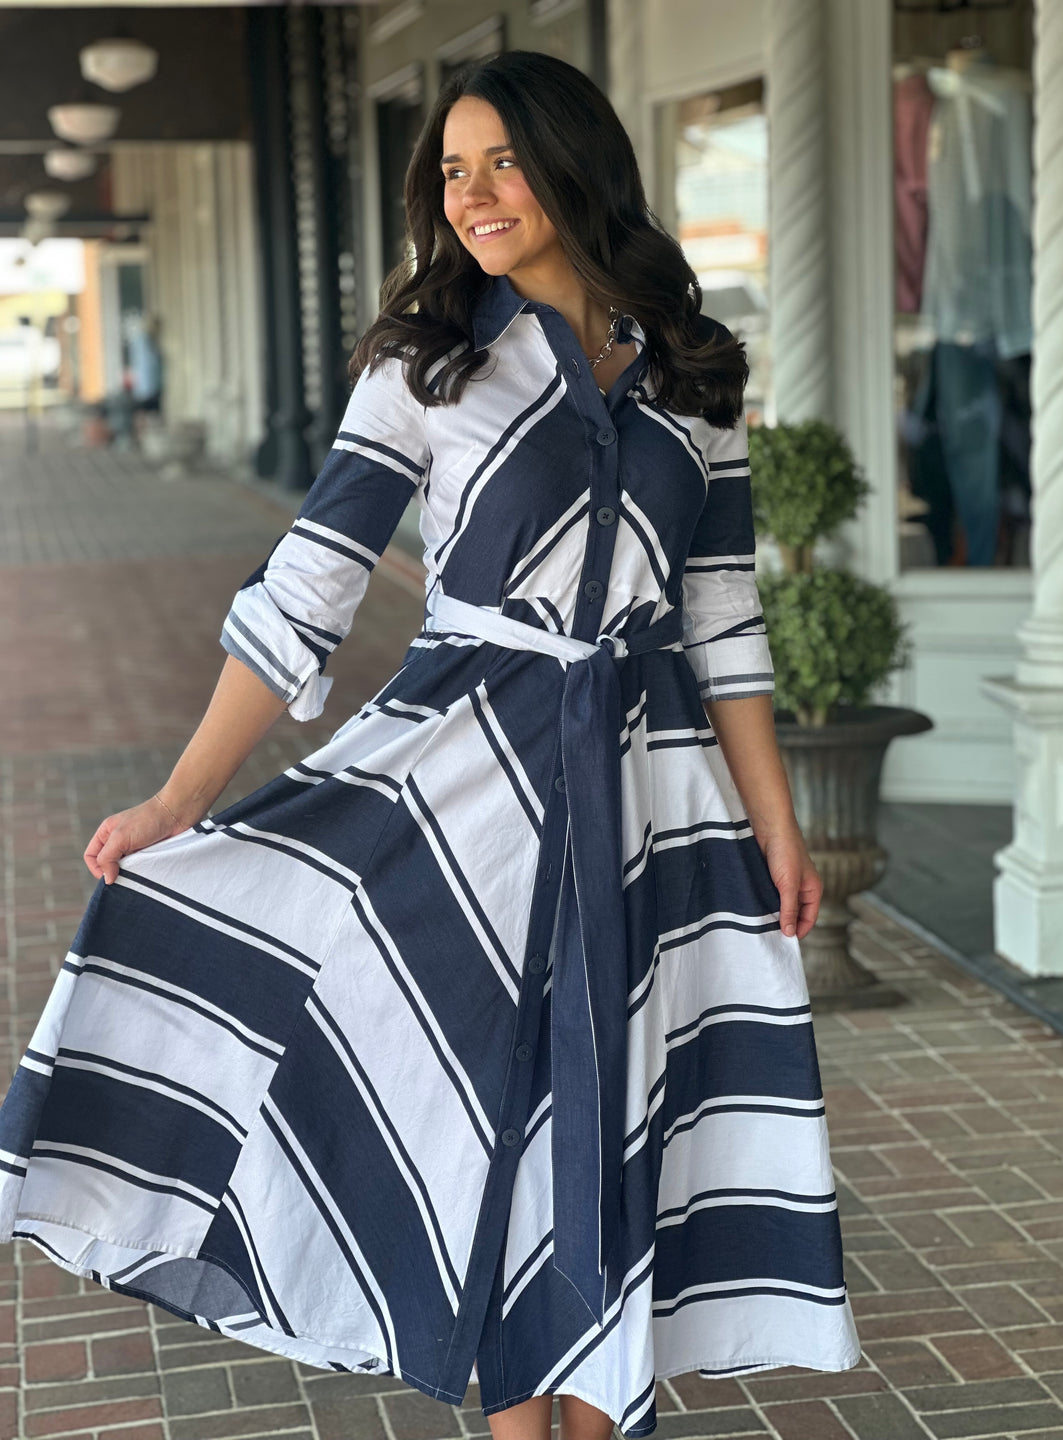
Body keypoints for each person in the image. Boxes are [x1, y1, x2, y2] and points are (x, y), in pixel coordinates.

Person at [0, 51, 860, 1440]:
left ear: (574, 164)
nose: (471, 196)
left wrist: (775, 823)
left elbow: (722, 618)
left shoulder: (692, 371)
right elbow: (304, 602)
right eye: (451, 172)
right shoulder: (429, 364)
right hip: (466, 789)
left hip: (653, 794)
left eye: (500, 162)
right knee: (486, 1125)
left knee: (630, 1111)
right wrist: (178, 799)